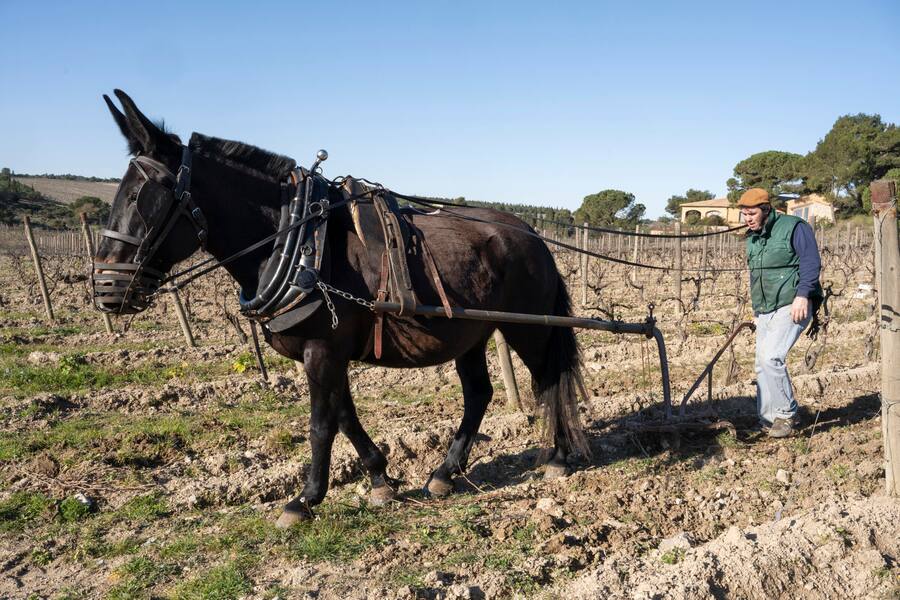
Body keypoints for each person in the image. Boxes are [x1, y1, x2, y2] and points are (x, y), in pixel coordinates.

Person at [738, 188, 823, 438]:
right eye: (744, 214)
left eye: (752, 213)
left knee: (771, 357)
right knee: (761, 363)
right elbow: (757, 274)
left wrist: (803, 295)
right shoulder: (753, 237)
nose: (747, 219)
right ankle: (767, 419)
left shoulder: (794, 227)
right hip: (765, 307)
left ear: (766, 209)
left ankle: (786, 415)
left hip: (793, 302)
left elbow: (810, 261)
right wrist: (757, 310)